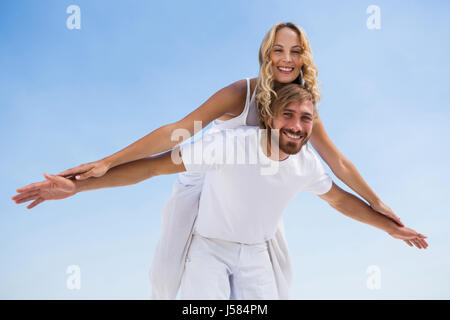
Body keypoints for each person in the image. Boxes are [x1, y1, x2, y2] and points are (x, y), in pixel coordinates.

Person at [14, 22, 414, 298]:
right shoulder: (241, 94)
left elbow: (337, 166)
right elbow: (175, 135)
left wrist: (379, 207)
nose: (286, 59)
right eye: (278, 50)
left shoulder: (301, 111)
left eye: (295, 51)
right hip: (206, 183)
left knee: (272, 277)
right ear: (266, 54)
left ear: (304, 57)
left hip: (257, 205)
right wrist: (103, 164)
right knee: (167, 277)